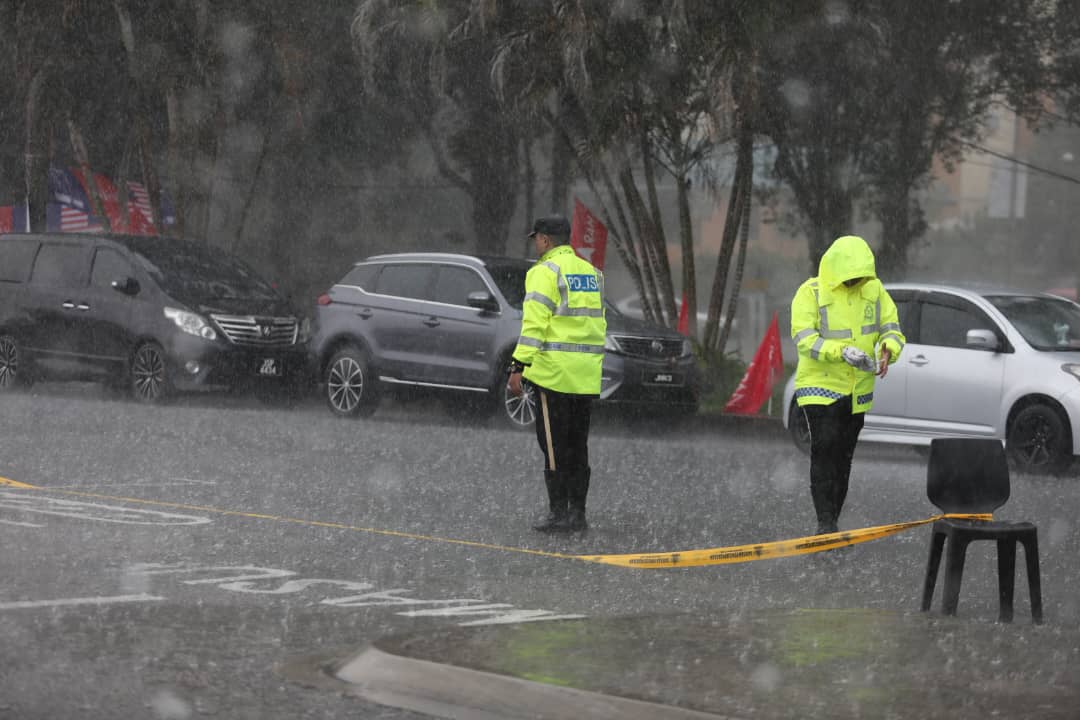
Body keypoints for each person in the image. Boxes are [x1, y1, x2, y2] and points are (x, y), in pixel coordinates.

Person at [790, 235, 905, 535]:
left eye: (860, 277)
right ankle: (824, 524)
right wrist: (840, 351)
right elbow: (804, 340)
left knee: (844, 456)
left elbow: (891, 328)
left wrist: (888, 349)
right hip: (819, 386)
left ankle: (832, 523)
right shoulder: (810, 292)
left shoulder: (875, 291)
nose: (855, 282)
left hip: (857, 390)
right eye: (850, 277)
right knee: (825, 448)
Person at [508, 215, 606, 533]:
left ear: (547, 240)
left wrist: (517, 366)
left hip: (553, 375)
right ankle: (578, 513)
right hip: (586, 375)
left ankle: (558, 513)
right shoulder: (592, 273)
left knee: (553, 447)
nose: (535, 243)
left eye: (537, 238)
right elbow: (596, 323)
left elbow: (533, 325)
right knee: (579, 445)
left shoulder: (543, 272)